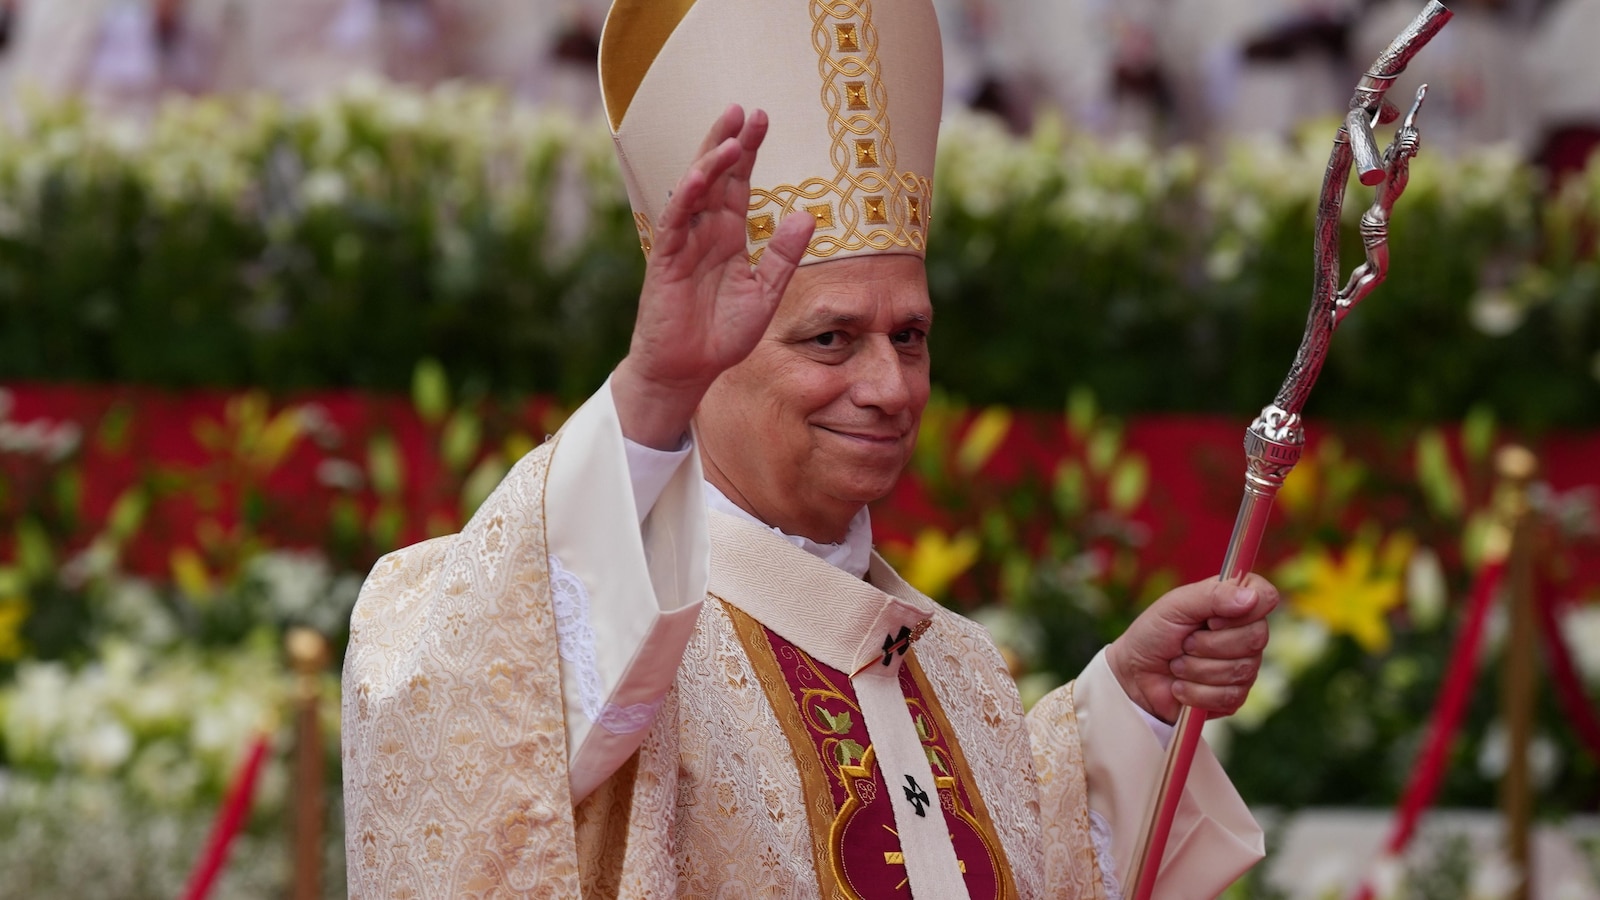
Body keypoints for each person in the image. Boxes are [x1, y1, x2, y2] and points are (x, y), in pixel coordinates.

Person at [342, 0, 1278, 897]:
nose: (888, 387)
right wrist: (654, 388)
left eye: (908, 336)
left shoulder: (959, 671)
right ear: (709, 351)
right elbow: (476, 722)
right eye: (830, 340)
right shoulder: (609, 641)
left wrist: (1133, 708)